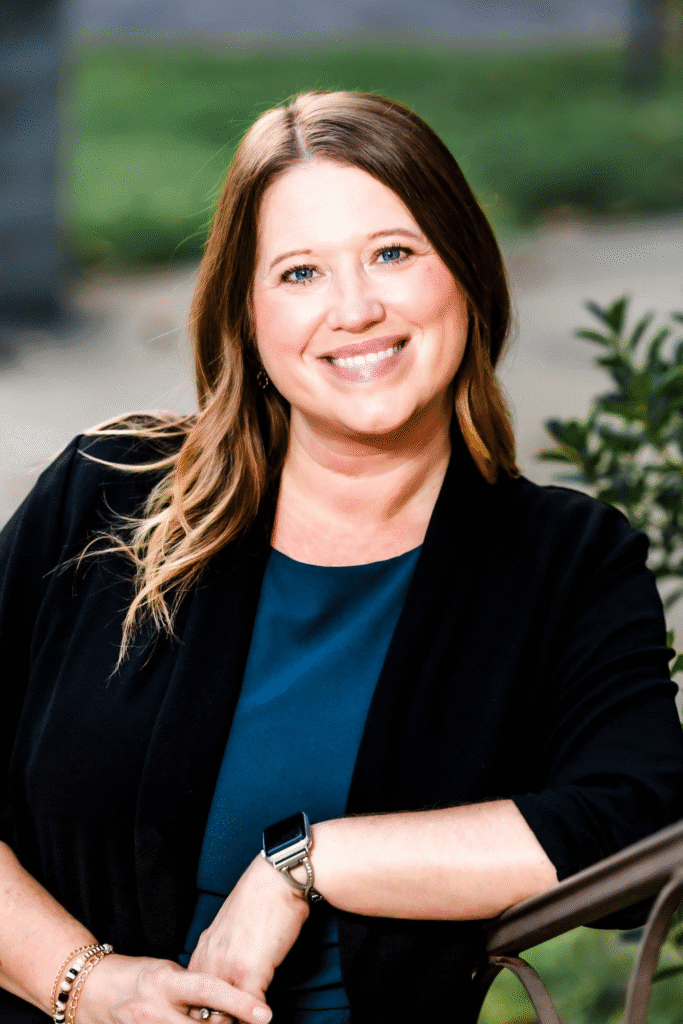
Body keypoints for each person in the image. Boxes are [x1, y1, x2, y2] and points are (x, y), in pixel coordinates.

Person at [1, 90, 682, 1024]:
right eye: (300, 273)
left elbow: (638, 817)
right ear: (246, 314)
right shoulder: (107, 494)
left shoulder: (563, 561)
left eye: (393, 253)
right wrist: (88, 985)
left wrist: (305, 863)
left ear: (467, 273)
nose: (355, 309)